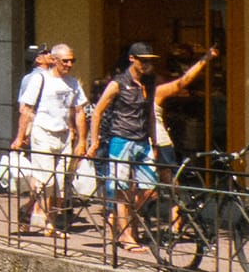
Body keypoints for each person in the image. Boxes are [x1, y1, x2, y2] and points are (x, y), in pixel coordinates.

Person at [89, 42, 218, 249]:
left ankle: (121, 221)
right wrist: (94, 140)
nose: (148, 64)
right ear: (132, 59)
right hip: (121, 140)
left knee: (150, 189)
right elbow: (98, 111)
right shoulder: (117, 83)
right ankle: (126, 237)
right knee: (122, 189)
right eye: (144, 60)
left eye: (150, 60)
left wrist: (154, 142)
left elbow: (152, 112)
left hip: (143, 142)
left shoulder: (149, 85)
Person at [10, 44, 87, 233]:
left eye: (72, 60)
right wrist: (19, 138)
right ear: (54, 60)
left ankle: (50, 225)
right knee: (46, 182)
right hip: (42, 133)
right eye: (65, 61)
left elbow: (79, 111)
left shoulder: (73, 83)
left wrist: (82, 140)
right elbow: (26, 109)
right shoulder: (40, 79)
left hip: (64, 136)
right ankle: (32, 213)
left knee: (60, 184)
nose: (69, 64)